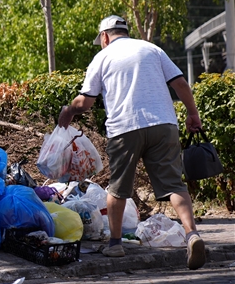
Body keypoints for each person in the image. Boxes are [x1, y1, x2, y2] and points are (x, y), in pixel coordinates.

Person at [58, 15, 205, 270]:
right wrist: (193, 114)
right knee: (174, 185)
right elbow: (180, 83)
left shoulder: (102, 57)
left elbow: (85, 102)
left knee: (117, 188)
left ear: (104, 36)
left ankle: (115, 244)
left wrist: (69, 111)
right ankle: (192, 234)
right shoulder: (152, 49)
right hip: (163, 125)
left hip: (125, 129)